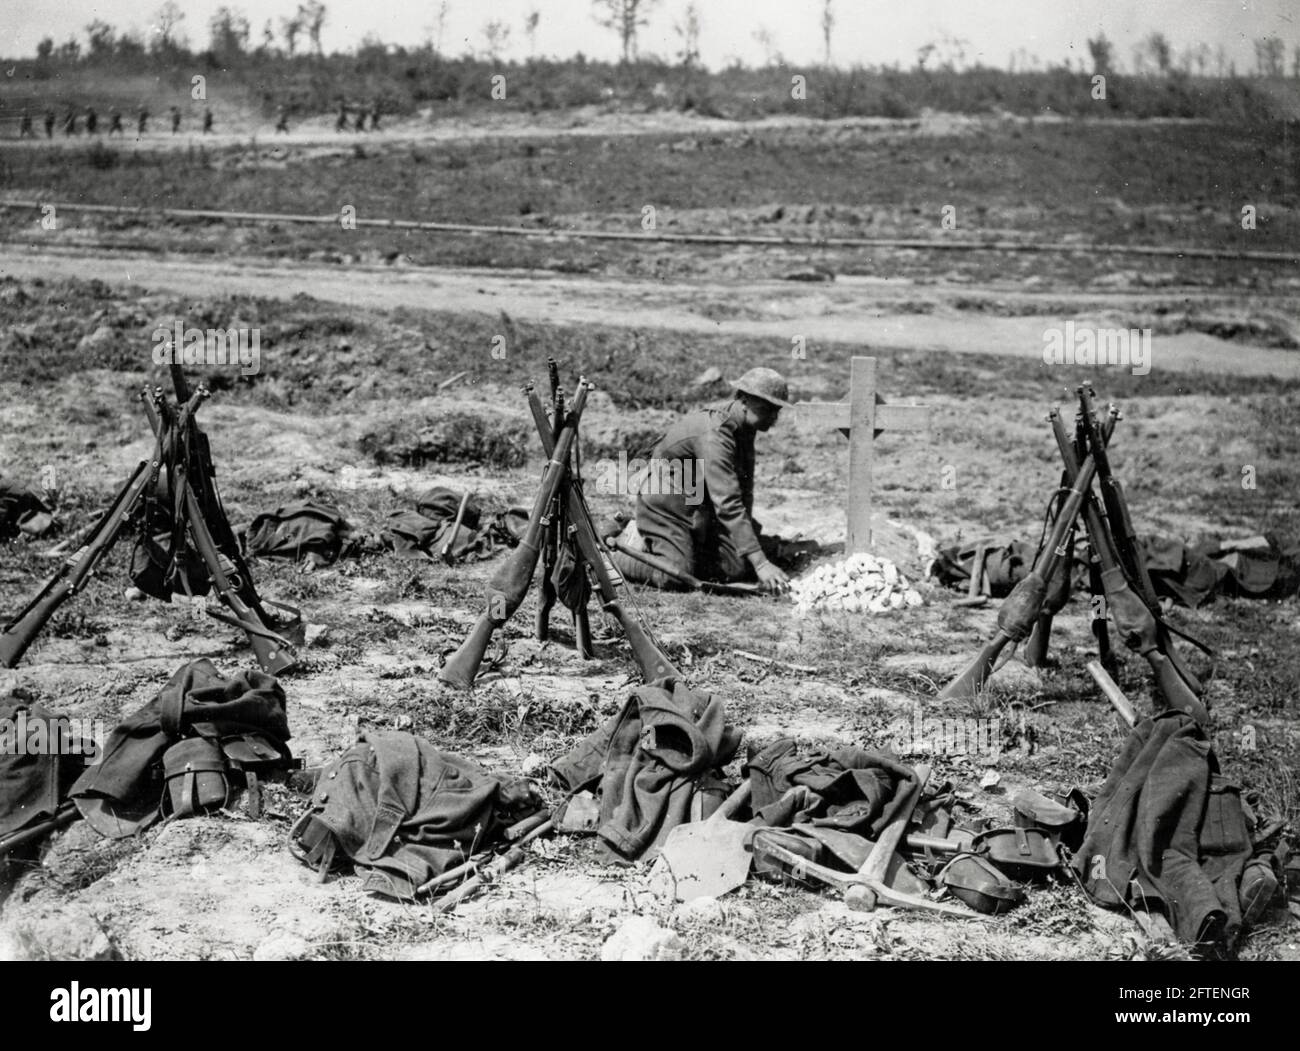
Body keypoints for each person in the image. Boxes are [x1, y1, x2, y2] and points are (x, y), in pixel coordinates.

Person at [608, 367, 794, 594]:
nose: (773, 418)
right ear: (744, 400)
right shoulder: (716, 433)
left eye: (776, 411)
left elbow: (744, 491)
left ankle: (666, 541)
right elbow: (727, 501)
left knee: (735, 567)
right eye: (766, 409)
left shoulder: (745, 425)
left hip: (697, 501)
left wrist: (749, 550)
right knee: (675, 574)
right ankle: (616, 551)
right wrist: (762, 563)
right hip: (665, 501)